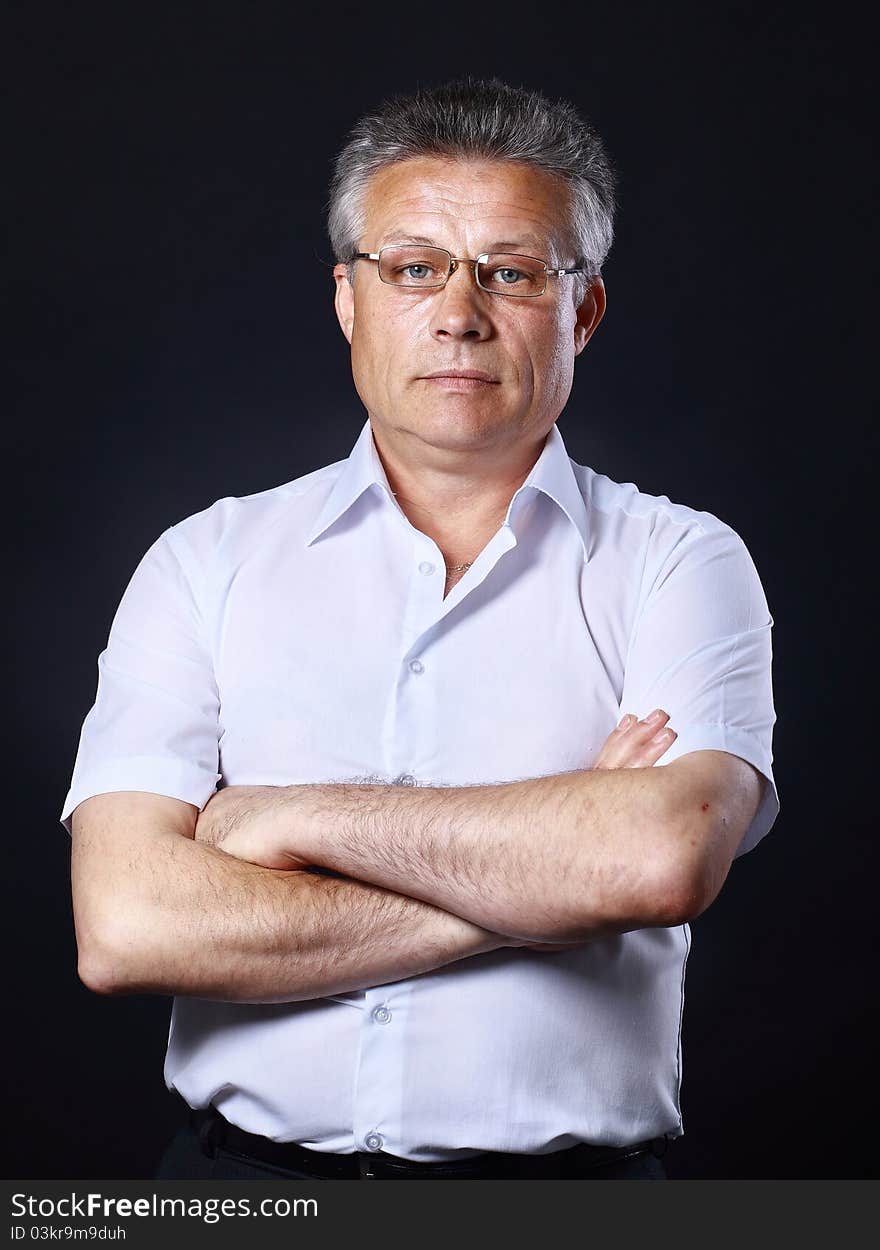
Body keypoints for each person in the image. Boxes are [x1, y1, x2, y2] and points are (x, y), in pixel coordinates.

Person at [61, 77, 779, 1181]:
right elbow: (126, 926)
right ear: (350, 299)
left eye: (511, 271)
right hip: (236, 1189)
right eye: (412, 268)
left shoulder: (680, 561)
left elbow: (658, 855)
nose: (458, 310)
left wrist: (289, 817)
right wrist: (548, 884)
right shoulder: (204, 561)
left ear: (581, 309)